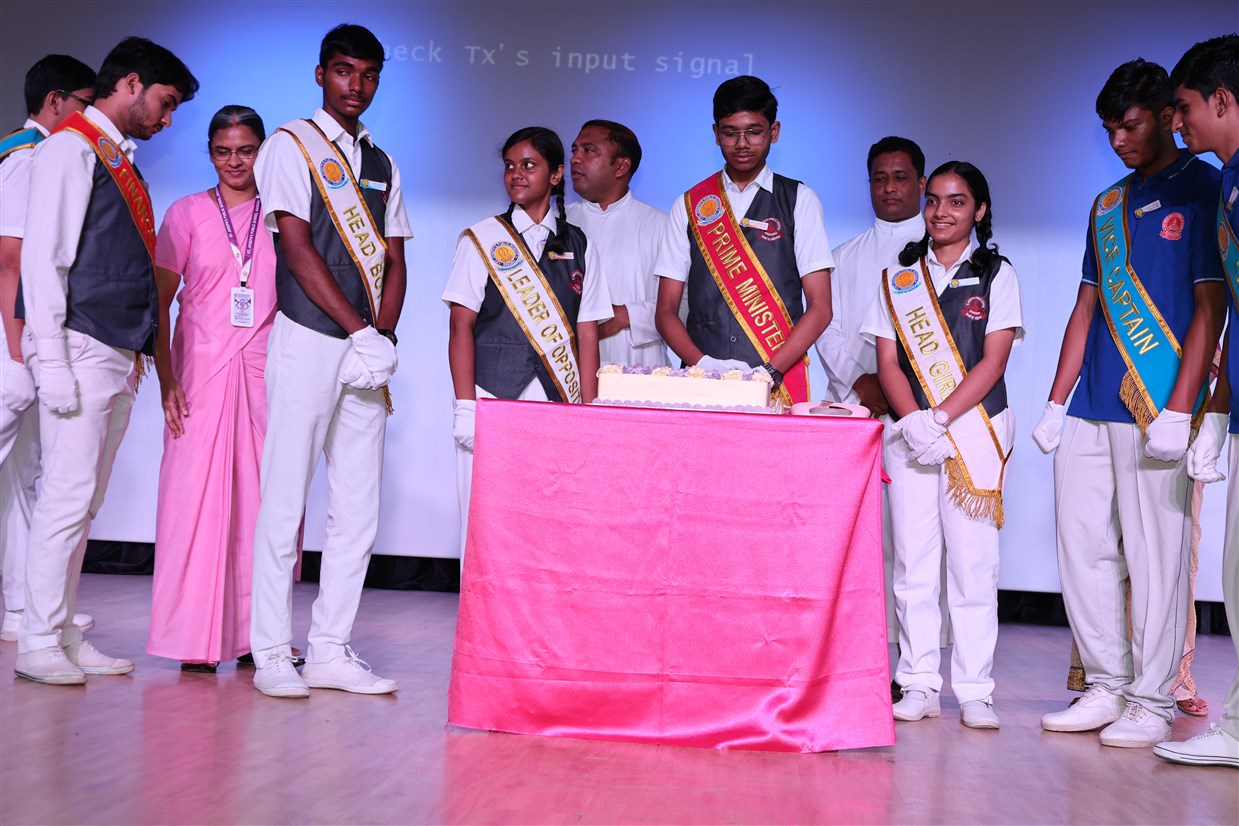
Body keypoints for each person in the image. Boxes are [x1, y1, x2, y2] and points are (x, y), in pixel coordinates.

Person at [1033, 59, 1225, 748]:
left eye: (1130, 125)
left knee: (1156, 558)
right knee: (1081, 548)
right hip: (1091, 403)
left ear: (1168, 118)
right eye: (1109, 129)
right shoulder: (1106, 204)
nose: (1117, 140)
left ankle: (1151, 698)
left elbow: (1211, 306)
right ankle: (1106, 685)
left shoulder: (1205, 188)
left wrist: (1181, 408)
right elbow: (1084, 304)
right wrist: (1056, 401)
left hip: (1158, 403)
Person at [16, 37, 198, 685]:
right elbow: (44, 257)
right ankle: (37, 640)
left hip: (113, 352)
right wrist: (52, 361)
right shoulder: (71, 148)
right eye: (165, 103)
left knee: (84, 502)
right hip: (80, 347)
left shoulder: (114, 156)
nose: (167, 119)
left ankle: (62, 630)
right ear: (130, 83)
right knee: (66, 499)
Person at [250, 23, 410, 698]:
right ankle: (269, 652)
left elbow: (395, 259)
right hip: (310, 336)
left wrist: (382, 337)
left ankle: (329, 650)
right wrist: (356, 329)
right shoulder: (289, 145)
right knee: (285, 498)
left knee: (358, 507)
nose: (356, 86)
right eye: (344, 71)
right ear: (321, 74)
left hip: (365, 351)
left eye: (369, 75)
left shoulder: (382, 161)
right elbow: (296, 249)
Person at [861, 161, 1024, 730]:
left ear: (979, 210)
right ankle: (919, 682)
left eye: (956, 201)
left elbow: (993, 361)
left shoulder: (998, 273)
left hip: (974, 429)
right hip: (910, 435)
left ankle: (975, 689)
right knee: (913, 565)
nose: (940, 212)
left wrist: (941, 418)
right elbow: (887, 361)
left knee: (973, 566)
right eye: (933, 200)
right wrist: (913, 421)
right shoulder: (898, 275)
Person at [145, 106, 277, 673]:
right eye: (223, 151)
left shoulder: (283, 215)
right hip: (198, 374)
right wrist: (166, 378)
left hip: (265, 375)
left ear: (262, 151)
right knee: (190, 504)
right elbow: (158, 302)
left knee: (262, 506)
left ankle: (257, 638)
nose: (234, 162)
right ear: (209, 153)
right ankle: (191, 640)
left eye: (245, 150)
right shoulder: (186, 213)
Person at [444, 126, 610, 557]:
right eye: (510, 166)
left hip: (557, 398)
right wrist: (465, 406)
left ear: (556, 174)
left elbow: (587, 332)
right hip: (490, 395)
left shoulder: (580, 244)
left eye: (529, 165)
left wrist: (589, 409)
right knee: (483, 523)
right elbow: (460, 326)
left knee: (548, 522)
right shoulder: (482, 238)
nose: (516, 174)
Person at [814, 137, 943, 690]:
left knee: (915, 549)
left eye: (900, 177)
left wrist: (902, 391)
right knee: (860, 546)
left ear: (921, 183)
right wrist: (863, 383)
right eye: (879, 178)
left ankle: (914, 668)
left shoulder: (943, 251)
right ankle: (859, 664)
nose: (889, 188)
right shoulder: (843, 256)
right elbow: (828, 327)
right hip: (857, 413)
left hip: (923, 416)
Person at [1155, 33, 1239, 768]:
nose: (1176, 123)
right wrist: (1218, 408)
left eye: (1183, 108)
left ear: (1222, 99)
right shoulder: (1231, 180)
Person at [653, 75, 833, 404]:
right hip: (701, 383)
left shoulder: (800, 200)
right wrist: (703, 365)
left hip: (779, 381)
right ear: (715, 134)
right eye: (730, 133)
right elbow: (665, 310)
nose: (742, 144)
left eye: (754, 131)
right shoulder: (689, 204)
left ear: (773, 132)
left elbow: (820, 307)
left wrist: (770, 372)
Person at [0, 54, 96, 643]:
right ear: (56, 101)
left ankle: (21, 606)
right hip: (10, 335)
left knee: (23, 473)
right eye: (85, 103)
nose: (90, 116)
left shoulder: (42, 154)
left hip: (22, 332)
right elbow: (10, 258)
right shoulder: (26, 157)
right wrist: (19, 352)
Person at [566, 119, 667, 367]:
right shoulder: (557, 224)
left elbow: (687, 305)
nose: (575, 159)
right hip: (568, 370)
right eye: (574, 150)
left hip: (641, 370)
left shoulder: (661, 225)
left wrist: (625, 316)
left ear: (621, 166)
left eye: (588, 150)